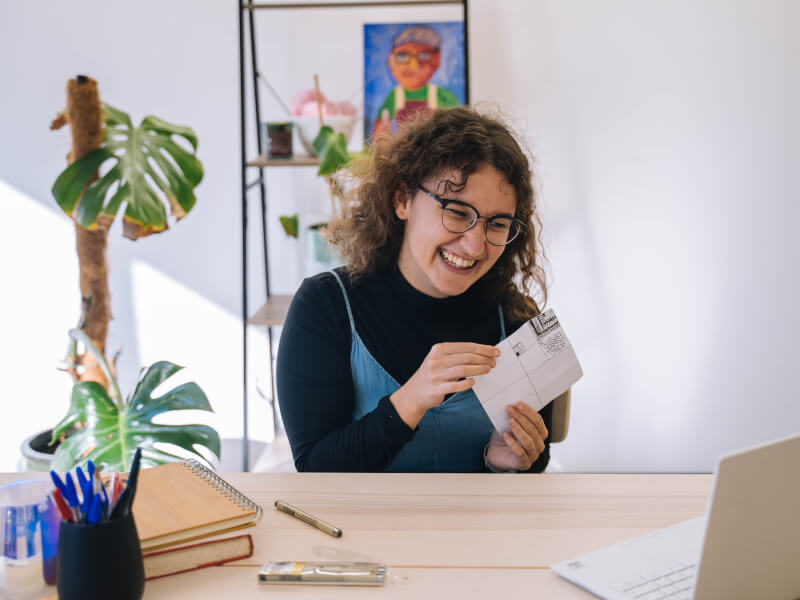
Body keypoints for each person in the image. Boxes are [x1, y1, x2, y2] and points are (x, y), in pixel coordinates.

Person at [277, 107, 552, 473]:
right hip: (359, 529)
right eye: (456, 212)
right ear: (401, 199)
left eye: (497, 224)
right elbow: (313, 469)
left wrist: (505, 463)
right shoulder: (324, 305)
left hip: (478, 529)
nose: (474, 246)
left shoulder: (519, 320)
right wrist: (410, 400)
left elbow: (537, 462)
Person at [370, 25, 461, 139]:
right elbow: (379, 132)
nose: (413, 65)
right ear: (390, 60)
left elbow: (459, 130)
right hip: (403, 153)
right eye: (402, 56)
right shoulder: (395, 96)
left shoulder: (442, 96)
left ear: (437, 60)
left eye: (423, 56)